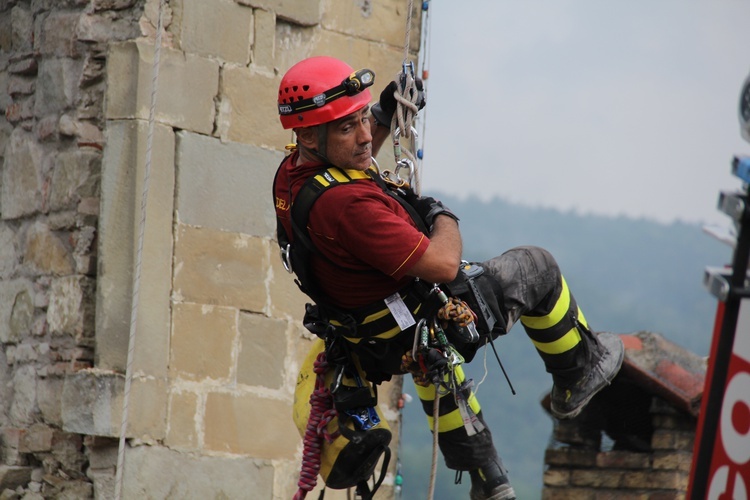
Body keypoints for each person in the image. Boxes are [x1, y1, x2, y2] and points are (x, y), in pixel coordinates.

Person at [273, 56, 624, 500]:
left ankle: (487, 480)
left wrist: (383, 116)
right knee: (537, 268)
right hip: (416, 318)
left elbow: (349, 159)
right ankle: (578, 372)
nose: (365, 136)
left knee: (434, 367)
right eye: (348, 128)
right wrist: (440, 213)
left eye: (363, 119)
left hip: (373, 335)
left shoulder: (293, 177)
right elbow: (444, 266)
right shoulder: (347, 208)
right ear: (307, 134)